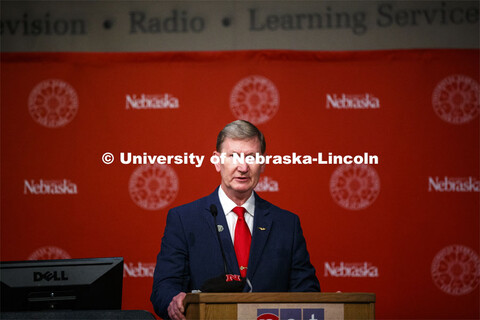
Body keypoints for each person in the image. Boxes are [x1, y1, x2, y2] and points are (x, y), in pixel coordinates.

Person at [151, 120, 320, 320]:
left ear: (263, 163)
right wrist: (175, 301)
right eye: (233, 156)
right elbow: (163, 289)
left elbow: (307, 292)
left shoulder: (287, 224)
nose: (243, 167)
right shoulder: (184, 219)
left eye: (251, 157)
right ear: (216, 161)